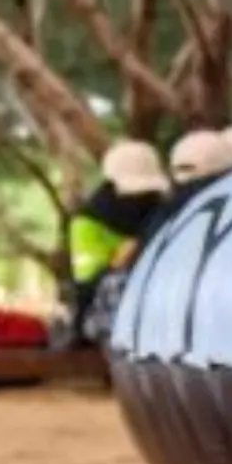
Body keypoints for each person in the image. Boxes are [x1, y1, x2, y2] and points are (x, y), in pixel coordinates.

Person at [64, 139, 168, 347]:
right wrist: (117, 262)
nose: (142, 198)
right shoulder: (87, 223)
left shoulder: (162, 209)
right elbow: (86, 285)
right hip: (107, 314)